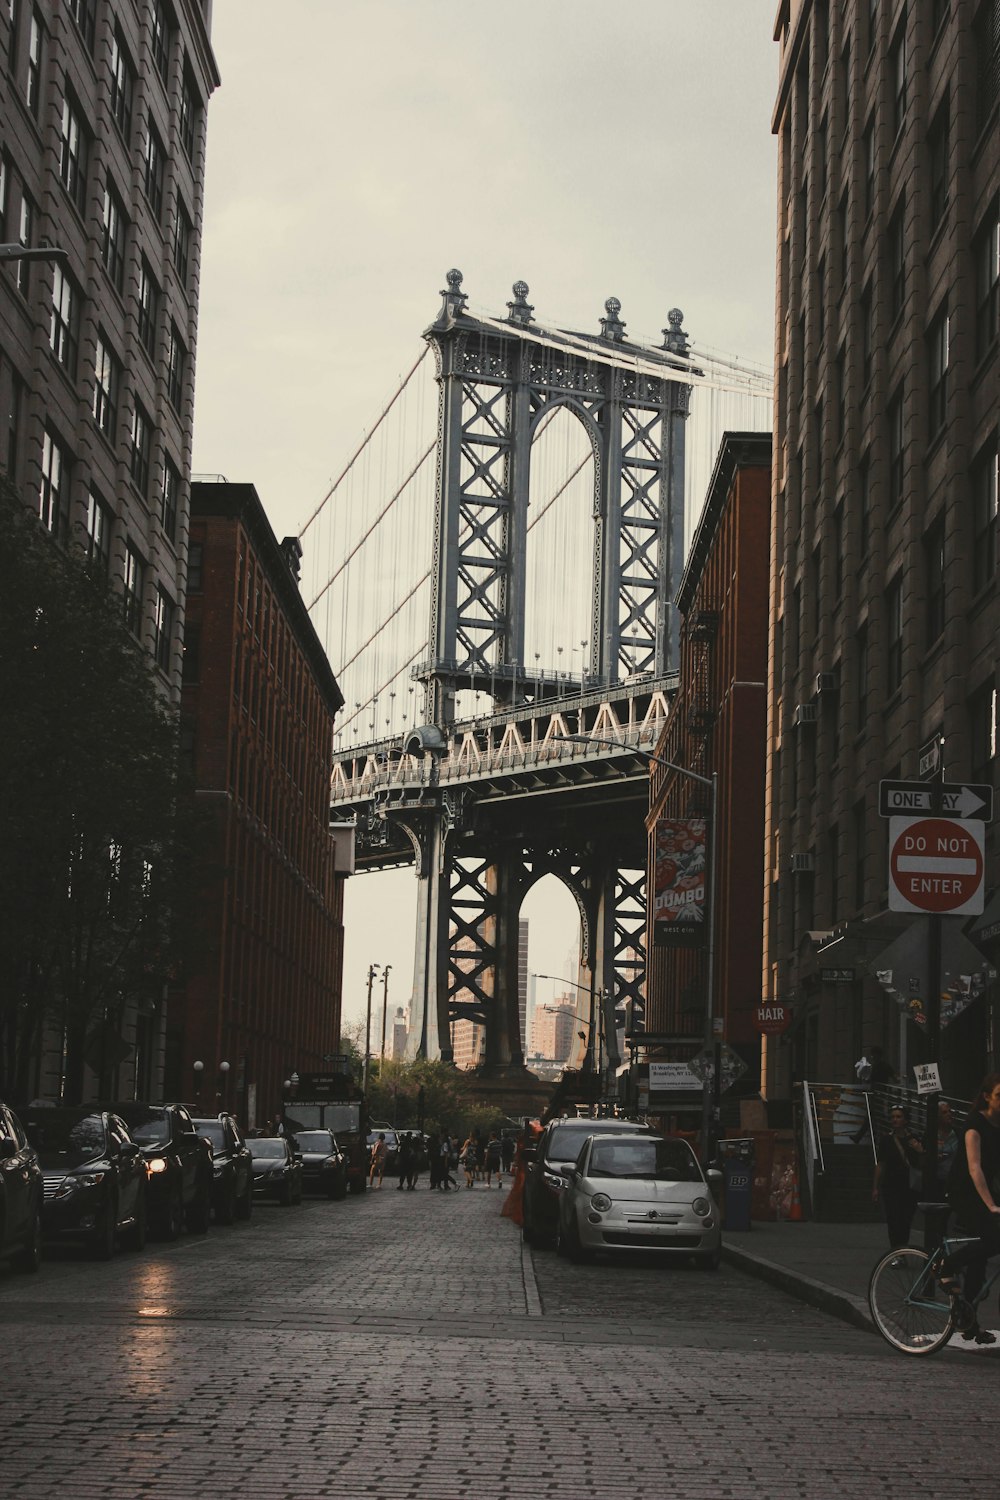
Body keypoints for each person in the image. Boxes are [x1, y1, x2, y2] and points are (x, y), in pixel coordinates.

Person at [936, 1074, 1000, 1345]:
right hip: (964, 1190)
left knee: (980, 1260)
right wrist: (991, 1205)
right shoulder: (974, 1125)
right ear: (987, 1097)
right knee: (995, 1238)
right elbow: (975, 1168)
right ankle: (946, 1264)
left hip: (986, 1189)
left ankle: (968, 1317)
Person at [872, 1106, 923, 1248]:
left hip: (909, 1186)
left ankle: (902, 1247)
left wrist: (919, 1150)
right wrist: (875, 1187)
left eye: (899, 1117)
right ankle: (896, 1250)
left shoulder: (913, 1139)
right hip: (891, 1185)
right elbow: (880, 1164)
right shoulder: (886, 1140)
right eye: (893, 1117)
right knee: (893, 1219)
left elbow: (921, 1163)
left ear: (906, 1120)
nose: (895, 1120)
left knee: (906, 1220)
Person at [935, 1100, 960, 1194]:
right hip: (937, 1180)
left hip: (954, 1179)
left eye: (950, 1111)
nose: (949, 1114)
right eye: (944, 1112)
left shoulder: (957, 1133)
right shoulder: (931, 1134)